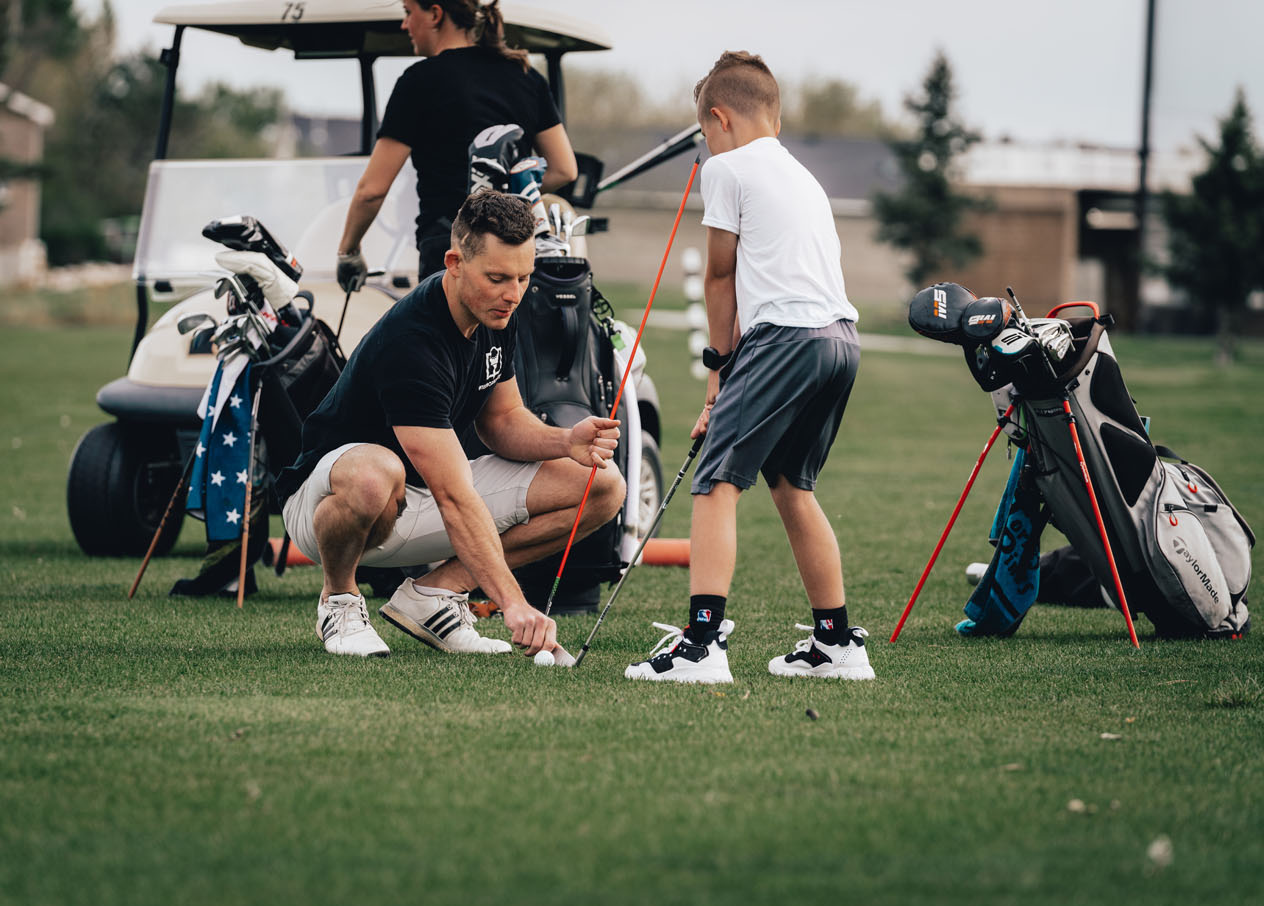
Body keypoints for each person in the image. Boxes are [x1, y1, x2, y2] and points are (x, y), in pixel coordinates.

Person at [279, 191, 624, 658]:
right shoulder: (412, 342)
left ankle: (434, 595)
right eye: (498, 278)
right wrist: (514, 604)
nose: (514, 294)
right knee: (374, 473)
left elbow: (501, 421)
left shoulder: (497, 311)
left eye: (524, 277)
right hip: (332, 506)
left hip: (424, 498)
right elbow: (454, 497)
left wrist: (565, 440)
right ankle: (339, 599)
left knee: (602, 486)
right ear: (454, 262)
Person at [624, 51, 874, 684]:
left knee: (715, 481)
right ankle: (836, 643)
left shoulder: (727, 168)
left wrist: (716, 376)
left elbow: (718, 276)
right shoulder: (804, 176)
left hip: (785, 338)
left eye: (706, 135)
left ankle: (701, 647)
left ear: (719, 118)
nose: (707, 147)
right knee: (792, 484)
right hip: (840, 340)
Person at [336, 0, 578, 286]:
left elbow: (372, 191)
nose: (404, 25)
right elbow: (564, 169)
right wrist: (507, 199)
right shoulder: (526, 76)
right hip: (513, 253)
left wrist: (348, 252)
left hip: (449, 253)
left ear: (436, 14)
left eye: (408, 12)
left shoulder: (419, 81)